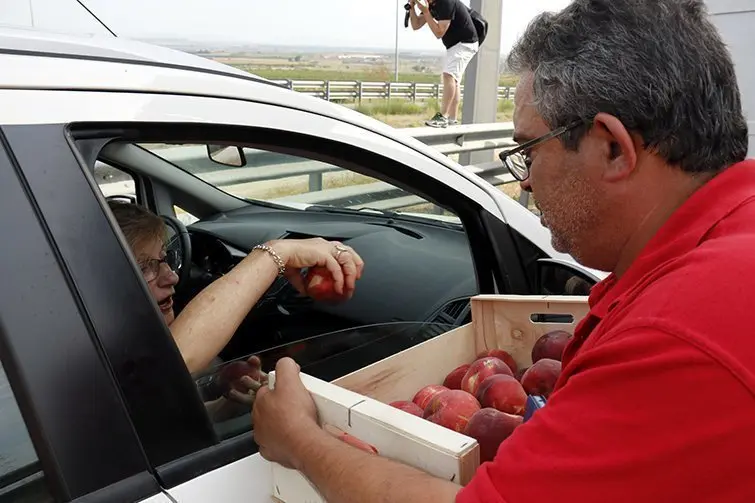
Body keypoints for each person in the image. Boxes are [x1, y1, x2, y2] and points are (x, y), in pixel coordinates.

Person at [251, 1, 755, 502]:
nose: (527, 184)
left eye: (529, 151)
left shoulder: (678, 336)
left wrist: (299, 440)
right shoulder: (724, 248)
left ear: (614, 149)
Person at [107, 201, 364, 414]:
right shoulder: (100, 358)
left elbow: (159, 415)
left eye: (165, 259)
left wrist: (215, 387)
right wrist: (276, 254)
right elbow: (173, 362)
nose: (171, 277)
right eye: (145, 268)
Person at [408, 0, 479, 128]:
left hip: (465, 43)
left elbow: (439, 32)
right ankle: (452, 118)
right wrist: (412, 8)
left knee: (449, 76)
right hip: (455, 45)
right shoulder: (432, 5)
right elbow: (416, 24)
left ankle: (443, 117)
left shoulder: (446, 2)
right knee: (454, 79)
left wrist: (425, 11)